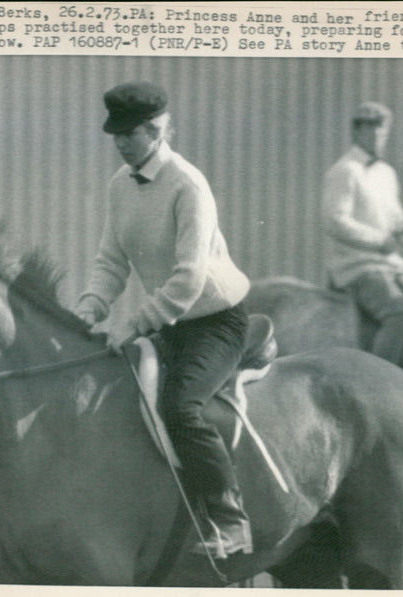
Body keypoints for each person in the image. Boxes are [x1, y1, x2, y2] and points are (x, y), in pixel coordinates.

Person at [76, 81, 253, 558]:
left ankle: (231, 521)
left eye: (127, 134)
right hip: (169, 322)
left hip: (215, 323)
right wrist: (90, 306)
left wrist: (134, 322)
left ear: (156, 130)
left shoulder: (188, 185)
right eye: (114, 134)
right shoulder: (120, 184)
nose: (118, 142)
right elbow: (111, 261)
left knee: (179, 408)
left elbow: (189, 277)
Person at [322, 101, 403, 367]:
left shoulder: (386, 173)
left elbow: (394, 218)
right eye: (370, 131)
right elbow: (334, 221)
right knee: (399, 311)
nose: (377, 138)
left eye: (382, 132)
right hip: (357, 266)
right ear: (357, 132)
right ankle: (379, 379)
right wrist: (380, 241)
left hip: (389, 265)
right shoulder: (345, 171)